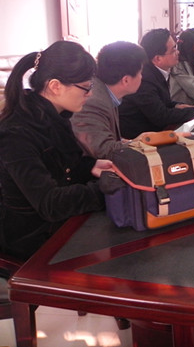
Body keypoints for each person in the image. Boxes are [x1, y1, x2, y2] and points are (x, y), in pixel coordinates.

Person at [0, 41, 112, 260]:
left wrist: (91, 166)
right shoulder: (16, 134)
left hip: (61, 225)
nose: (90, 94)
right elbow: (50, 203)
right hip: (32, 240)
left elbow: (64, 168)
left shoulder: (54, 116)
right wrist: (105, 190)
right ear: (55, 86)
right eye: (86, 87)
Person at [118, 29, 194, 139]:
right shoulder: (144, 78)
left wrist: (176, 105)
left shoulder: (157, 71)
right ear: (158, 59)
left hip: (158, 131)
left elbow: (161, 102)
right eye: (173, 49)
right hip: (142, 139)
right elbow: (161, 116)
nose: (178, 52)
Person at [71, 41, 147, 160]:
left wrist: (127, 142)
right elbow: (103, 150)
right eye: (140, 73)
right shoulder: (93, 101)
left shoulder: (105, 92)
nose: (142, 77)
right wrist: (140, 143)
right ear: (126, 80)